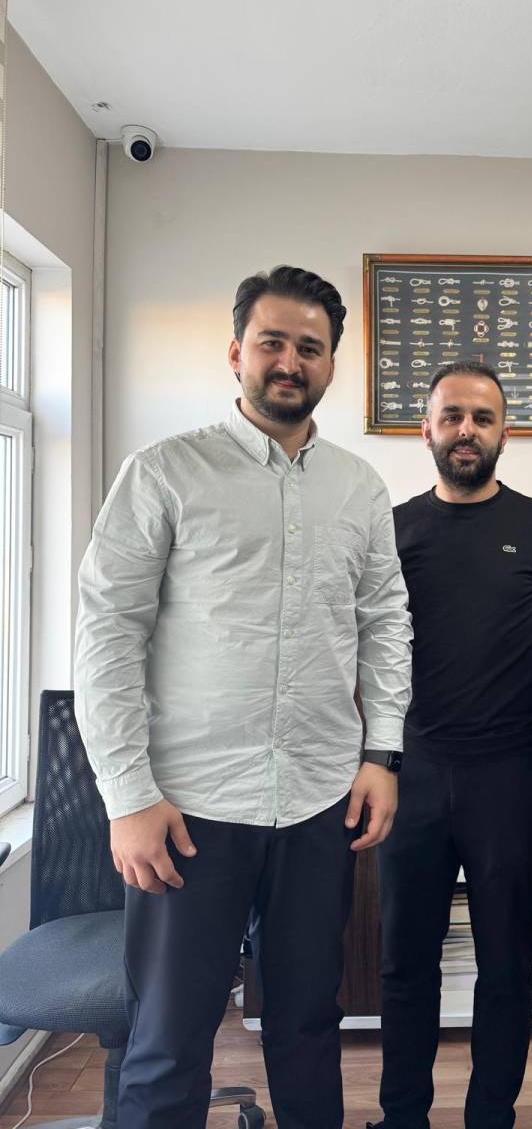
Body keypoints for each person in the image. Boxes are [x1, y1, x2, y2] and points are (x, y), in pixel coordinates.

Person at [74, 265, 412, 1129]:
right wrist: (127, 796)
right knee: (168, 1040)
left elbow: (386, 623)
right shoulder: (164, 473)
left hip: (317, 801)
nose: (290, 362)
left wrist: (381, 755)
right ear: (237, 353)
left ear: (331, 363)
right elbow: (107, 635)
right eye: (272, 342)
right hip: (187, 809)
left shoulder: (359, 488)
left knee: (309, 1025)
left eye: (310, 347)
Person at [369, 361, 532, 1129]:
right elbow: (360, 640)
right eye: (452, 416)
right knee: (405, 965)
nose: (467, 430)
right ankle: (403, 1116)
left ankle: (491, 1115)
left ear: (504, 433)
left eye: (482, 418)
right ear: (426, 430)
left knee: (505, 965)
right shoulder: (393, 526)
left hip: (508, 777)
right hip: (413, 774)